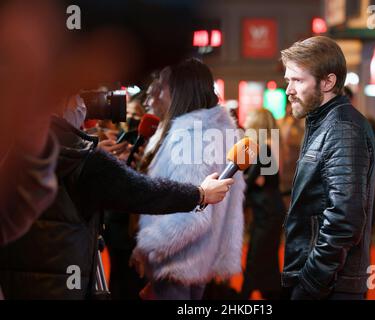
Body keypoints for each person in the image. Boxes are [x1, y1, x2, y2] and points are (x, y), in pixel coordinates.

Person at [0, 94, 234, 300]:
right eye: (77, 97)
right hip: (63, 281)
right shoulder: (83, 159)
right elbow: (145, 192)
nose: (83, 105)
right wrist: (200, 193)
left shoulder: (12, 147)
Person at [131, 58, 245, 300]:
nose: (156, 94)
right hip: (198, 260)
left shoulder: (190, 136)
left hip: (178, 263)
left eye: (162, 86)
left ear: (179, 90)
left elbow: (191, 216)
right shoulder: (217, 131)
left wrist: (147, 247)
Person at [280, 36, 375, 300]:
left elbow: (345, 220)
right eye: (288, 80)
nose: (288, 89)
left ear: (328, 82)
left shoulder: (342, 129)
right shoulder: (325, 123)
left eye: (297, 80)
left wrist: (311, 283)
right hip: (324, 281)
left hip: (330, 286)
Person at [240, 109, 285, 300]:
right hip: (269, 211)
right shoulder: (269, 145)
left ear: (257, 123)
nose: (245, 120)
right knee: (266, 263)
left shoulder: (264, 148)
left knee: (255, 261)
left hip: (268, 214)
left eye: (248, 117)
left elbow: (248, 182)